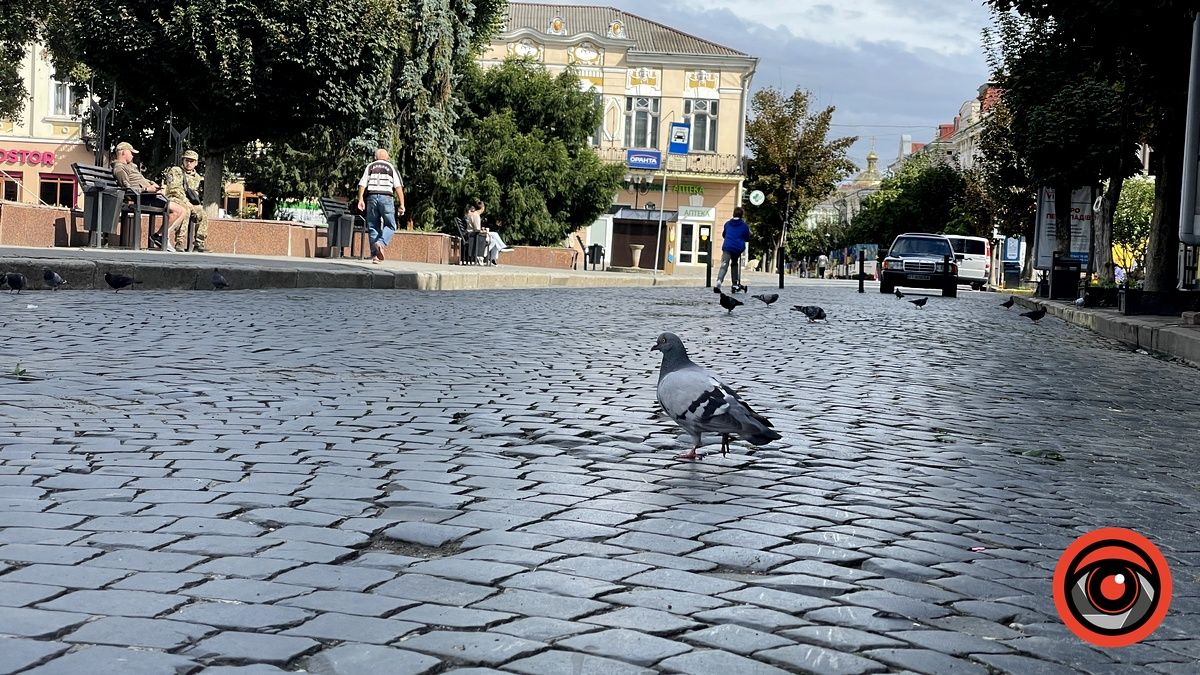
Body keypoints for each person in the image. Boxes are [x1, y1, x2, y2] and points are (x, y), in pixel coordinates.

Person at [112, 141, 186, 251]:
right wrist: (147, 189)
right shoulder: (119, 169)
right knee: (177, 211)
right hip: (143, 198)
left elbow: (141, 179)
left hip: (150, 195)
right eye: (131, 152)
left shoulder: (131, 166)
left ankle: (160, 237)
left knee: (183, 211)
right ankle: (160, 237)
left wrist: (152, 184)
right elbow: (127, 189)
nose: (133, 155)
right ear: (123, 152)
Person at [355, 149, 405, 263]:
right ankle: (381, 243)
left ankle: (375, 256)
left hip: (371, 197)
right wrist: (402, 204)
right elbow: (398, 187)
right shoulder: (391, 167)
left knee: (373, 226)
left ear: (375, 157)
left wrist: (361, 199)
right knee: (391, 225)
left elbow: (362, 183)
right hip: (386, 198)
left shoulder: (370, 166)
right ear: (387, 158)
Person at [162, 150, 209, 252]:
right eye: (187, 160)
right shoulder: (176, 171)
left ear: (196, 163)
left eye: (192, 161)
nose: (189, 163)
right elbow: (174, 189)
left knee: (202, 213)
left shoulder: (197, 177)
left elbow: (194, 191)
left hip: (189, 202)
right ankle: (179, 242)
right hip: (175, 199)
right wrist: (186, 201)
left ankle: (199, 243)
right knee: (185, 210)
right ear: (183, 160)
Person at [713, 207, 750, 293]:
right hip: (737, 248)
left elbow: (724, 235)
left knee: (724, 264)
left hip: (727, 246)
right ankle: (734, 283)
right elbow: (747, 238)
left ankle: (719, 280)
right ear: (742, 215)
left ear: (733, 214)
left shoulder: (727, 224)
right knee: (734, 263)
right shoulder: (744, 226)